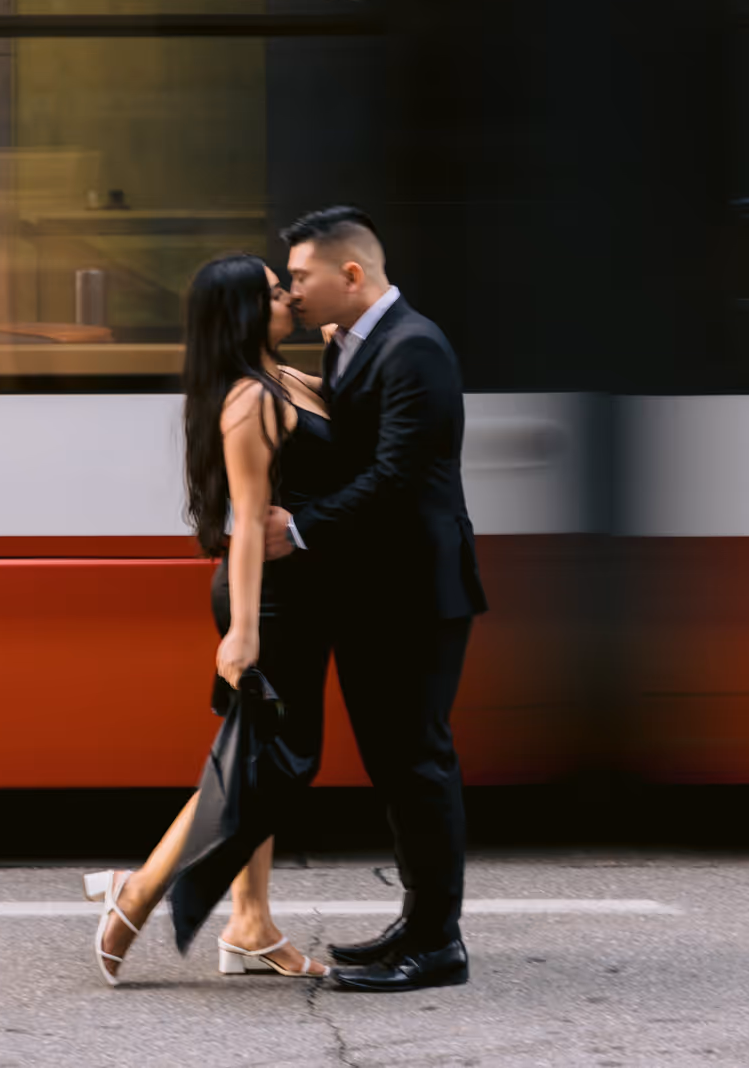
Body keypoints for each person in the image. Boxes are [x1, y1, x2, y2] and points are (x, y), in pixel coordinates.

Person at [81, 254, 334, 985]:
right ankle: (136, 895)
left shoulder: (284, 377)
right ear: (244, 312)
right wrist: (244, 631)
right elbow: (249, 521)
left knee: (256, 762)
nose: (287, 297)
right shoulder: (248, 400)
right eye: (274, 290)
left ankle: (250, 924)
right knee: (260, 767)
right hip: (270, 598)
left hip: (293, 594)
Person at [266, 205, 487, 994]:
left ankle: (438, 943)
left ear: (350, 274)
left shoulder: (414, 348)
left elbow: (395, 477)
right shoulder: (359, 346)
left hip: (416, 595)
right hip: (379, 592)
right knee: (397, 767)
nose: (293, 293)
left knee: (419, 763)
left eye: (301, 277)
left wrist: (300, 530)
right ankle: (419, 924)